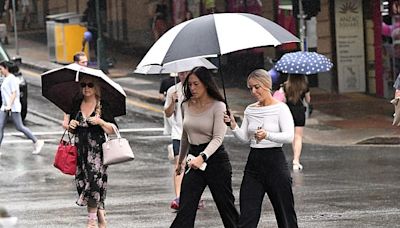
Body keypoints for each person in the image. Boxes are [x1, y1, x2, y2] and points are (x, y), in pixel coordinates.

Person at [224, 69, 298, 228]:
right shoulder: (250, 109)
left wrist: (267, 135)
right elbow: (244, 137)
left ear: (267, 85)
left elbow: (289, 136)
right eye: (250, 88)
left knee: (285, 214)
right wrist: (233, 125)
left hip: (275, 162)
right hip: (254, 164)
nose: (253, 91)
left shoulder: (281, 108)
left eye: (257, 87)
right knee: (248, 214)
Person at [171, 66, 239, 228]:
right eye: (190, 84)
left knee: (226, 207)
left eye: (196, 84)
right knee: (186, 207)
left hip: (215, 160)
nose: (192, 88)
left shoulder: (219, 106)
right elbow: (185, 135)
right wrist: (180, 161)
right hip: (193, 159)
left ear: (206, 84)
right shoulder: (185, 105)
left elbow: (217, 138)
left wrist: (202, 158)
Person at [66, 75, 117, 228]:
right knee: (83, 184)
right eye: (83, 85)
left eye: (89, 85)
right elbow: (71, 130)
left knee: (94, 184)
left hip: (98, 152)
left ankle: (91, 221)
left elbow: (113, 130)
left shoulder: (103, 105)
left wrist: (100, 121)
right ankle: (100, 215)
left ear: (96, 88)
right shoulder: (76, 104)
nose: (86, 88)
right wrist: (71, 125)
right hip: (81, 151)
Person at [0, 61, 44, 155]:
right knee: (0, 127)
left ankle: (36, 141)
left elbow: (14, 93)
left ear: (6, 68)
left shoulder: (12, 79)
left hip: (13, 107)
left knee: (19, 126)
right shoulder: (6, 78)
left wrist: (9, 105)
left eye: (1, 69)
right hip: (5, 107)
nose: (0, 71)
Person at [283, 74, 310, 170]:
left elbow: (283, 99)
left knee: (293, 136)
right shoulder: (304, 85)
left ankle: (295, 157)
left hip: (288, 112)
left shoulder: (285, 86)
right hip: (299, 111)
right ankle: (296, 160)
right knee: (298, 136)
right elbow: (308, 100)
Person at [62, 52, 89, 130]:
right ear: (76, 63)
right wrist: (66, 118)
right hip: (76, 111)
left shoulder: (90, 75)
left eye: (86, 62)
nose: (85, 64)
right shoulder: (71, 77)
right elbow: (68, 98)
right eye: (83, 62)